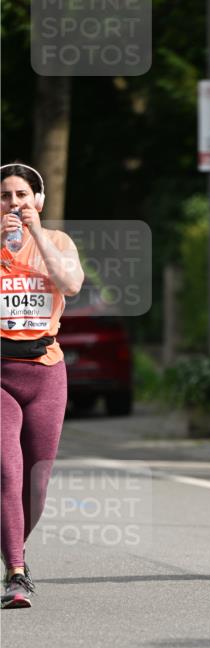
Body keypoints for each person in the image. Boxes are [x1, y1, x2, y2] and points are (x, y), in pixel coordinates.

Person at [1, 162, 84, 608]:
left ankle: (12, 542)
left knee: (35, 482)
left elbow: (70, 284)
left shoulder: (57, 241)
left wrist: (35, 238)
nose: (13, 203)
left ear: (39, 201)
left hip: (46, 371)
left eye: (21, 195)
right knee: (6, 470)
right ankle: (16, 571)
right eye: (5, 196)